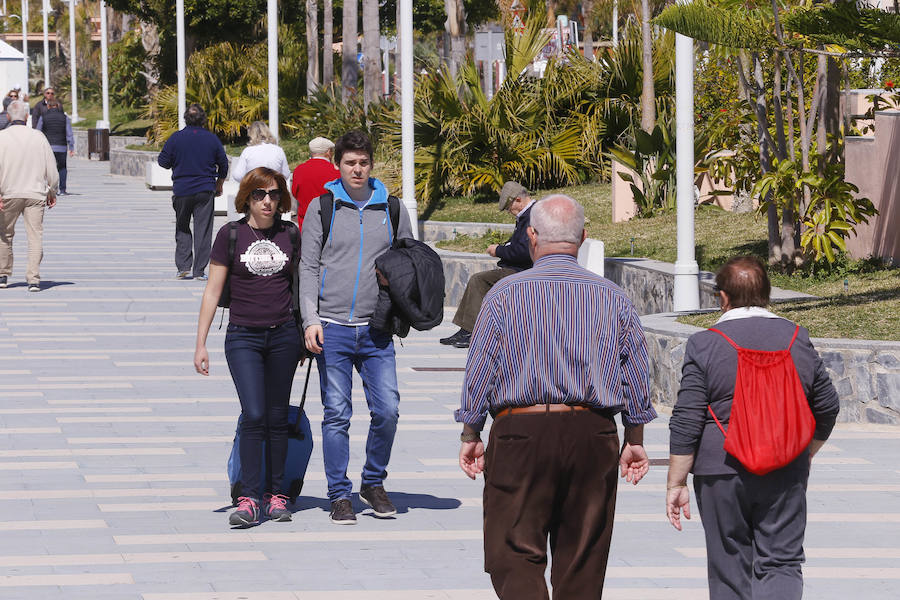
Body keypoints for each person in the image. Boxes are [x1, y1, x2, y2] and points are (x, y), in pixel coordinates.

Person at [456, 194, 657, 599]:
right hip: (593, 433)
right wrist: (634, 440)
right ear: (583, 237)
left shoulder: (503, 294)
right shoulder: (613, 297)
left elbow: (481, 367)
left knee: (511, 549)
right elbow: (635, 372)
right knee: (583, 555)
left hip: (519, 432)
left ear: (531, 235)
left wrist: (470, 432)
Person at [666, 256, 840, 600]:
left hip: (721, 470)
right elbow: (828, 407)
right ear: (767, 294)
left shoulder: (704, 344)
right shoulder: (796, 338)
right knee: (782, 562)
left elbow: (687, 419)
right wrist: (804, 453)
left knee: (728, 563)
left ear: (722, 297)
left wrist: (676, 482)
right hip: (784, 468)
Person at [300, 130, 413, 525]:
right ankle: (338, 494)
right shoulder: (322, 207)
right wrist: (310, 320)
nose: (357, 169)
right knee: (336, 414)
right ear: (339, 164)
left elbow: (407, 264)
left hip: (376, 329)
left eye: (363, 162)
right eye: (350, 162)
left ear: (371, 164)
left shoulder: (392, 208)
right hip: (331, 327)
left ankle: (372, 482)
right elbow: (308, 267)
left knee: (389, 409)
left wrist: (403, 309)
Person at [193, 167, 304, 527]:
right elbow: (212, 290)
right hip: (243, 336)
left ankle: (277, 495)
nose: (267, 201)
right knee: (254, 414)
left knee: (276, 417)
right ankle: (248, 496)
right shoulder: (231, 234)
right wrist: (201, 343)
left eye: (273, 194)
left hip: (285, 335)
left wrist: (306, 332)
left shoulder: (291, 234)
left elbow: (302, 286)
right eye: (259, 194)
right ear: (247, 198)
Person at [440, 181, 534, 348]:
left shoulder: (532, 216)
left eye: (508, 207)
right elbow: (517, 245)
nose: (508, 212)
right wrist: (503, 248)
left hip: (524, 270)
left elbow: (525, 251)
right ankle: (465, 330)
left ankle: (470, 331)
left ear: (518, 200)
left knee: (479, 280)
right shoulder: (527, 216)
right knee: (480, 279)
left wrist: (498, 251)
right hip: (518, 268)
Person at [157, 103, 229, 280]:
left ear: (185, 118)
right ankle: (199, 271)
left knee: (182, 227)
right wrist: (219, 183)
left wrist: (178, 161)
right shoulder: (212, 139)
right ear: (203, 119)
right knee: (203, 230)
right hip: (205, 189)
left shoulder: (176, 138)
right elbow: (224, 164)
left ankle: (183, 267)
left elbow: (163, 162)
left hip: (182, 190)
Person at [0, 100, 59, 292]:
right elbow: (52, 169)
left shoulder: (1, 137)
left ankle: (3, 274)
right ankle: (33, 279)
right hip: (35, 194)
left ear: (8, 117)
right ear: (27, 117)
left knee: (4, 235)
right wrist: (52, 190)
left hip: (8, 193)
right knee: (35, 236)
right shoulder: (38, 137)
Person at [291, 136, 339, 231]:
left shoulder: (299, 170)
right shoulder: (336, 171)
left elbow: (294, 193)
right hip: (331, 224)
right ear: (328, 152)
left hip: (306, 223)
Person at [36, 101, 75, 195]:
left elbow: (38, 132)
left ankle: (48, 188)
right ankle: (62, 190)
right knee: (62, 168)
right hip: (61, 147)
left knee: (47, 168)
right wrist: (71, 147)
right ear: (58, 106)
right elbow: (69, 133)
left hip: (49, 147)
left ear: (48, 106)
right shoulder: (64, 117)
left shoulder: (43, 117)